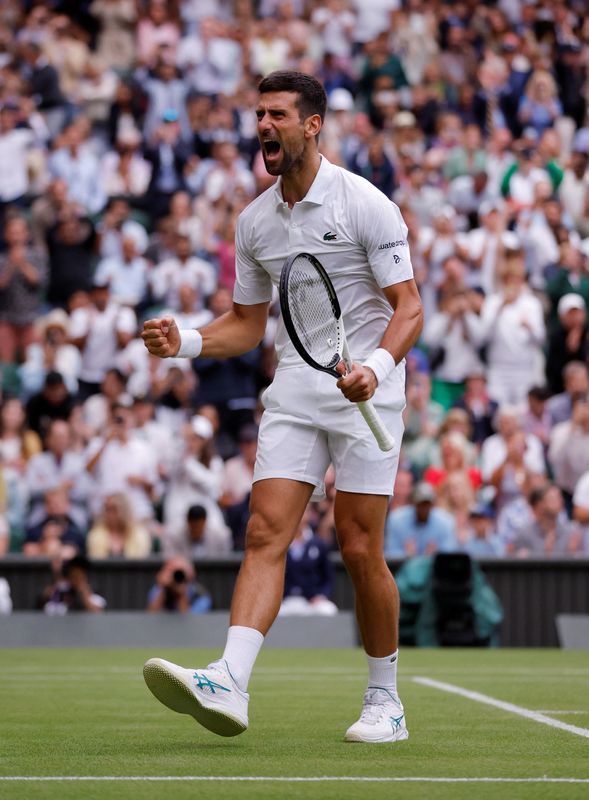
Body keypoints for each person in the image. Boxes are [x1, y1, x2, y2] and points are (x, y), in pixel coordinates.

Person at [141, 71, 423, 744]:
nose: (262, 125)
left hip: (368, 391)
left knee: (359, 548)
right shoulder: (254, 221)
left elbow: (408, 307)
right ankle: (230, 682)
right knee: (265, 531)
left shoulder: (364, 203)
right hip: (296, 386)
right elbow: (244, 322)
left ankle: (385, 700)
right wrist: (184, 340)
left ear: (311, 124)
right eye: (258, 113)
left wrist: (375, 367)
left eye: (276, 114)